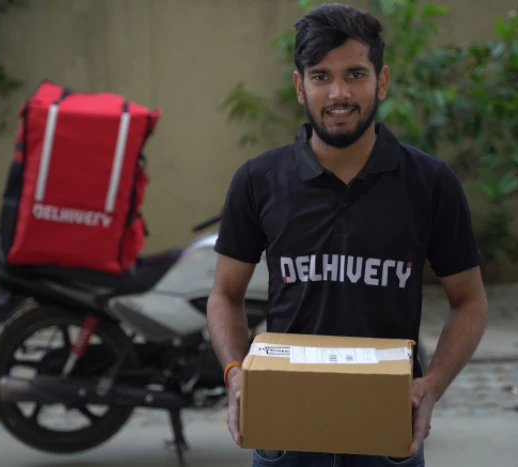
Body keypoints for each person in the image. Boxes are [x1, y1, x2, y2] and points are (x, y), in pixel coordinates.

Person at [206, 3, 489, 467]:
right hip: (285, 431)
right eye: (321, 76)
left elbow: (470, 301)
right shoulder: (259, 180)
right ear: (300, 86)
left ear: (382, 80)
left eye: (355, 73)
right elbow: (224, 294)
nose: (339, 92)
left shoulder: (430, 182)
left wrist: (431, 385)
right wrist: (237, 375)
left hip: (388, 427)